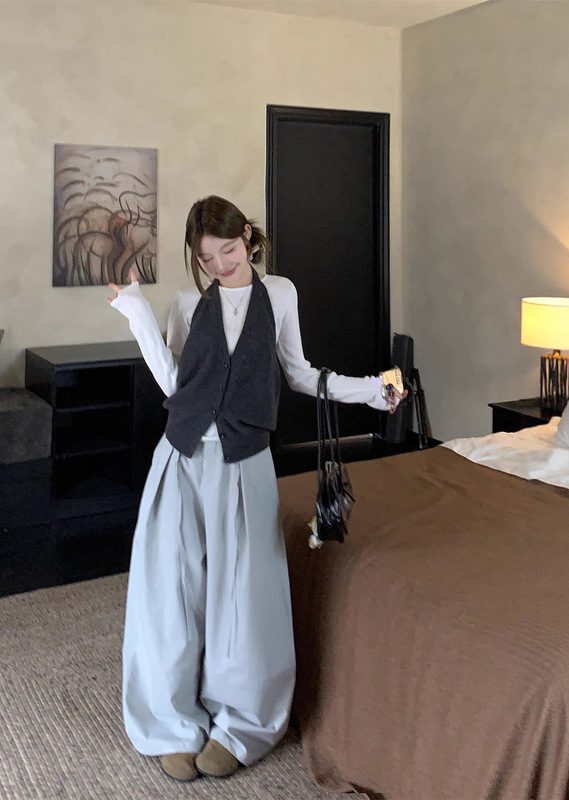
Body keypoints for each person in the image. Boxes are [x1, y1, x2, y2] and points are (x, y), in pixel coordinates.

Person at [106, 195, 403, 783]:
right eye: (206, 258)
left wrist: (371, 391)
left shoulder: (281, 294)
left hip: (243, 462)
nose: (220, 265)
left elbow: (298, 372)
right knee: (172, 593)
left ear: (247, 236)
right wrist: (136, 312)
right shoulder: (189, 303)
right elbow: (174, 381)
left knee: (244, 598)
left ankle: (240, 724)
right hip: (181, 457)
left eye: (228, 251)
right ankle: (172, 724)